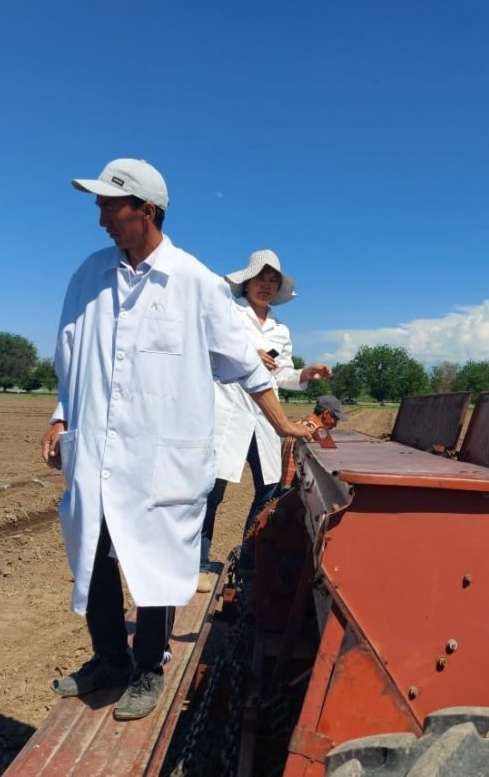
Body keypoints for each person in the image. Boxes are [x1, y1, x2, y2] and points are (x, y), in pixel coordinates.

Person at [40, 158, 311, 721]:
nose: (101, 219)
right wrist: (60, 416)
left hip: (161, 454)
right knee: (92, 551)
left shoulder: (195, 283)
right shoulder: (88, 277)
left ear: (147, 210)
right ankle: (109, 658)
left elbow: (246, 364)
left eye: (110, 206)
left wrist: (283, 424)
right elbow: (71, 360)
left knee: (155, 554)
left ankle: (148, 667)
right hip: (94, 447)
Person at [200, 250, 332, 584]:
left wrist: (305, 374)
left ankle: (248, 558)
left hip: (264, 415)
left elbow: (282, 373)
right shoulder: (229, 313)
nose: (267, 285)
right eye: (262, 278)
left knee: (269, 487)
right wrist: (245, 355)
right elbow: (207, 350)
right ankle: (198, 563)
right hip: (227, 408)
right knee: (212, 490)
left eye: (273, 281)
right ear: (247, 283)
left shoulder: (280, 330)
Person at [279, 394, 347, 489]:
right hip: (293, 487)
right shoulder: (314, 433)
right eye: (335, 419)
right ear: (326, 414)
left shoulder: (297, 426)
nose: (335, 425)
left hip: (283, 482)